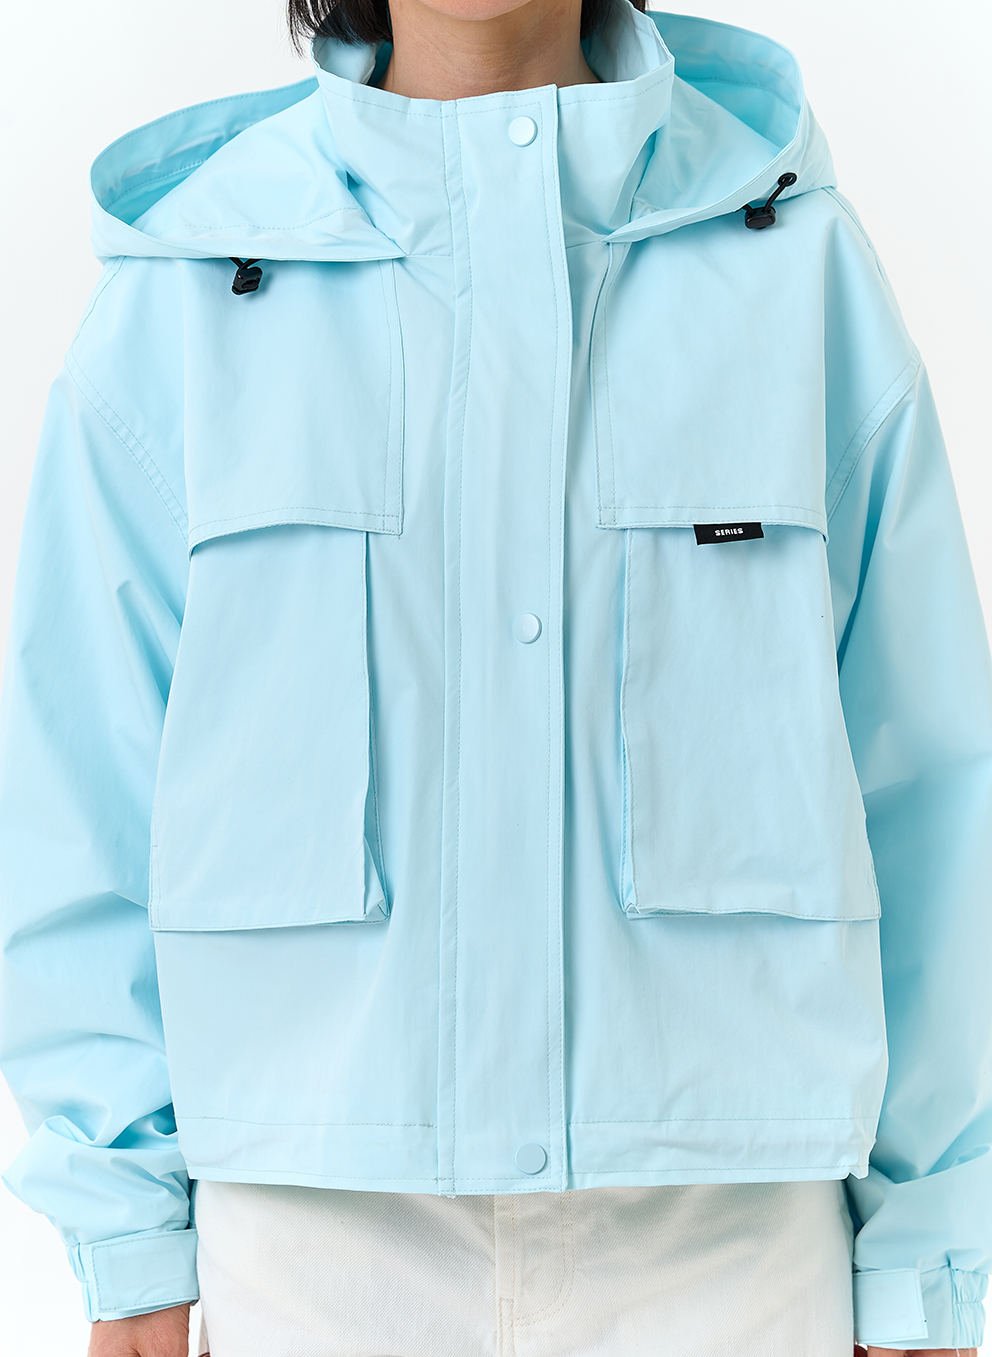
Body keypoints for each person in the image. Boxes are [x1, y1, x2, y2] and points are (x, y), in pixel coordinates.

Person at [1, 0, 990, 1352]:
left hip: (727, 1235)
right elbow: (83, 793)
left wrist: (929, 1247)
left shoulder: (795, 263)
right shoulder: (191, 289)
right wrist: (123, 1222)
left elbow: (927, 787)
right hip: (313, 1246)